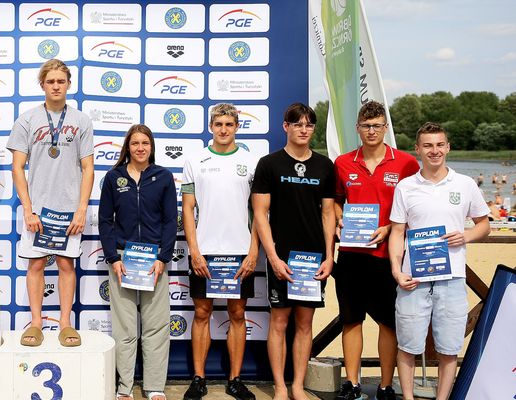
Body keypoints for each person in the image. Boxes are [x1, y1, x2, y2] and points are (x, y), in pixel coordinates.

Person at [388, 122, 490, 400]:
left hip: (453, 278)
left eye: (440, 145)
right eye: (428, 145)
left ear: (448, 147)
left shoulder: (465, 184)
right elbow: (397, 232)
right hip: (413, 278)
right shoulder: (406, 187)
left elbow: (484, 225)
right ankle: (408, 398)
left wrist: (466, 236)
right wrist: (397, 271)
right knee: (408, 344)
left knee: (449, 347)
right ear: (418, 149)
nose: (435, 151)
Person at [331, 101, 420, 400]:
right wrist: (340, 218)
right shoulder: (343, 162)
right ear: (358, 128)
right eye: (366, 126)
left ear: (385, 128)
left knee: (388, 322)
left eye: (377, 125)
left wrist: (391, 229)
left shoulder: (406, 163)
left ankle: (385, 385)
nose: (372, 131)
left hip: (387, 257)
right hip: (352, 256)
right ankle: (352, 383)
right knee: (351, 319)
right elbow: (336, 201)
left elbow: (414, 209)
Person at [252, 103, 335, 400]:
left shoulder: (325, 166)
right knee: (279, 321)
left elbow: (328, 214)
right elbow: (260, 214)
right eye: (297, 124)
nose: (303, 130)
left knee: (304, 323)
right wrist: (273, 257)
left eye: (308, 125)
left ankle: (298, 386)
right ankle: (279, 387)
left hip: (313, 259)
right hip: (281, 257)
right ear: (285, 126)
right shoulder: (269, 164)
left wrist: (329, 256)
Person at [8, 59, 94, 347]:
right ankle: (36, 323)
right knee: (35, 265)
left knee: (67, 265)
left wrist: (81, 209)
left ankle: (66, 323)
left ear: (69, 83)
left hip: (69, 209)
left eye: (61, 81)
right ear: (42, 84)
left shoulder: (81, 121)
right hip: (38, 209)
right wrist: (28, 208)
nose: (56, 86)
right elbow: (17, 167)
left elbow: (88, 168)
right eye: (50, 81)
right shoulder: (27, 119)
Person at [180, 104, 261, 400]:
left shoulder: (252, 162)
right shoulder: (194, 159)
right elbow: (188, 209)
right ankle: (199, 379)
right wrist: (194, 251)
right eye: (218, 124)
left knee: (237, 314)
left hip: (240, 252)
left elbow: (258, 212)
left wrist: (254, 251)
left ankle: (235, 380)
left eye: (229, 124)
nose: (223, 129)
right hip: (206, 252)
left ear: (237, 126)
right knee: (201, 313)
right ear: (211, 126)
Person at [99, 124, 176, 400]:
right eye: (135, 143)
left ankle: (154, 386)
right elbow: (106, 221)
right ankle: (125, 387)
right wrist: (113, 258)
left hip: (154, 262)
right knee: (126, 329)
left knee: (156, 328)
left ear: (151, 147)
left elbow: (170, 221)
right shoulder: (113, 178)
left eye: (145, 143)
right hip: (123, 261)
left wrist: (163, 258)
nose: (140, 148)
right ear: (127, 147)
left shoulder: (163, 177)